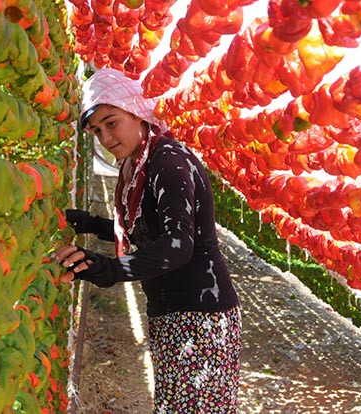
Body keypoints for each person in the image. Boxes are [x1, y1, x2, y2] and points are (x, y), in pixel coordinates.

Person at [51, 68, 242, 413]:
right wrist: (93, 224)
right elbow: (144, 230)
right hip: (173, 310)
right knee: (173, 405)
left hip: (199, 316)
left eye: (111, 122)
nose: (106, 138)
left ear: (136, 112)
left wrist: (109, 269)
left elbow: (178, 245)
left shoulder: (167, 162)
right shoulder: (138, 165)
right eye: (96, 131)